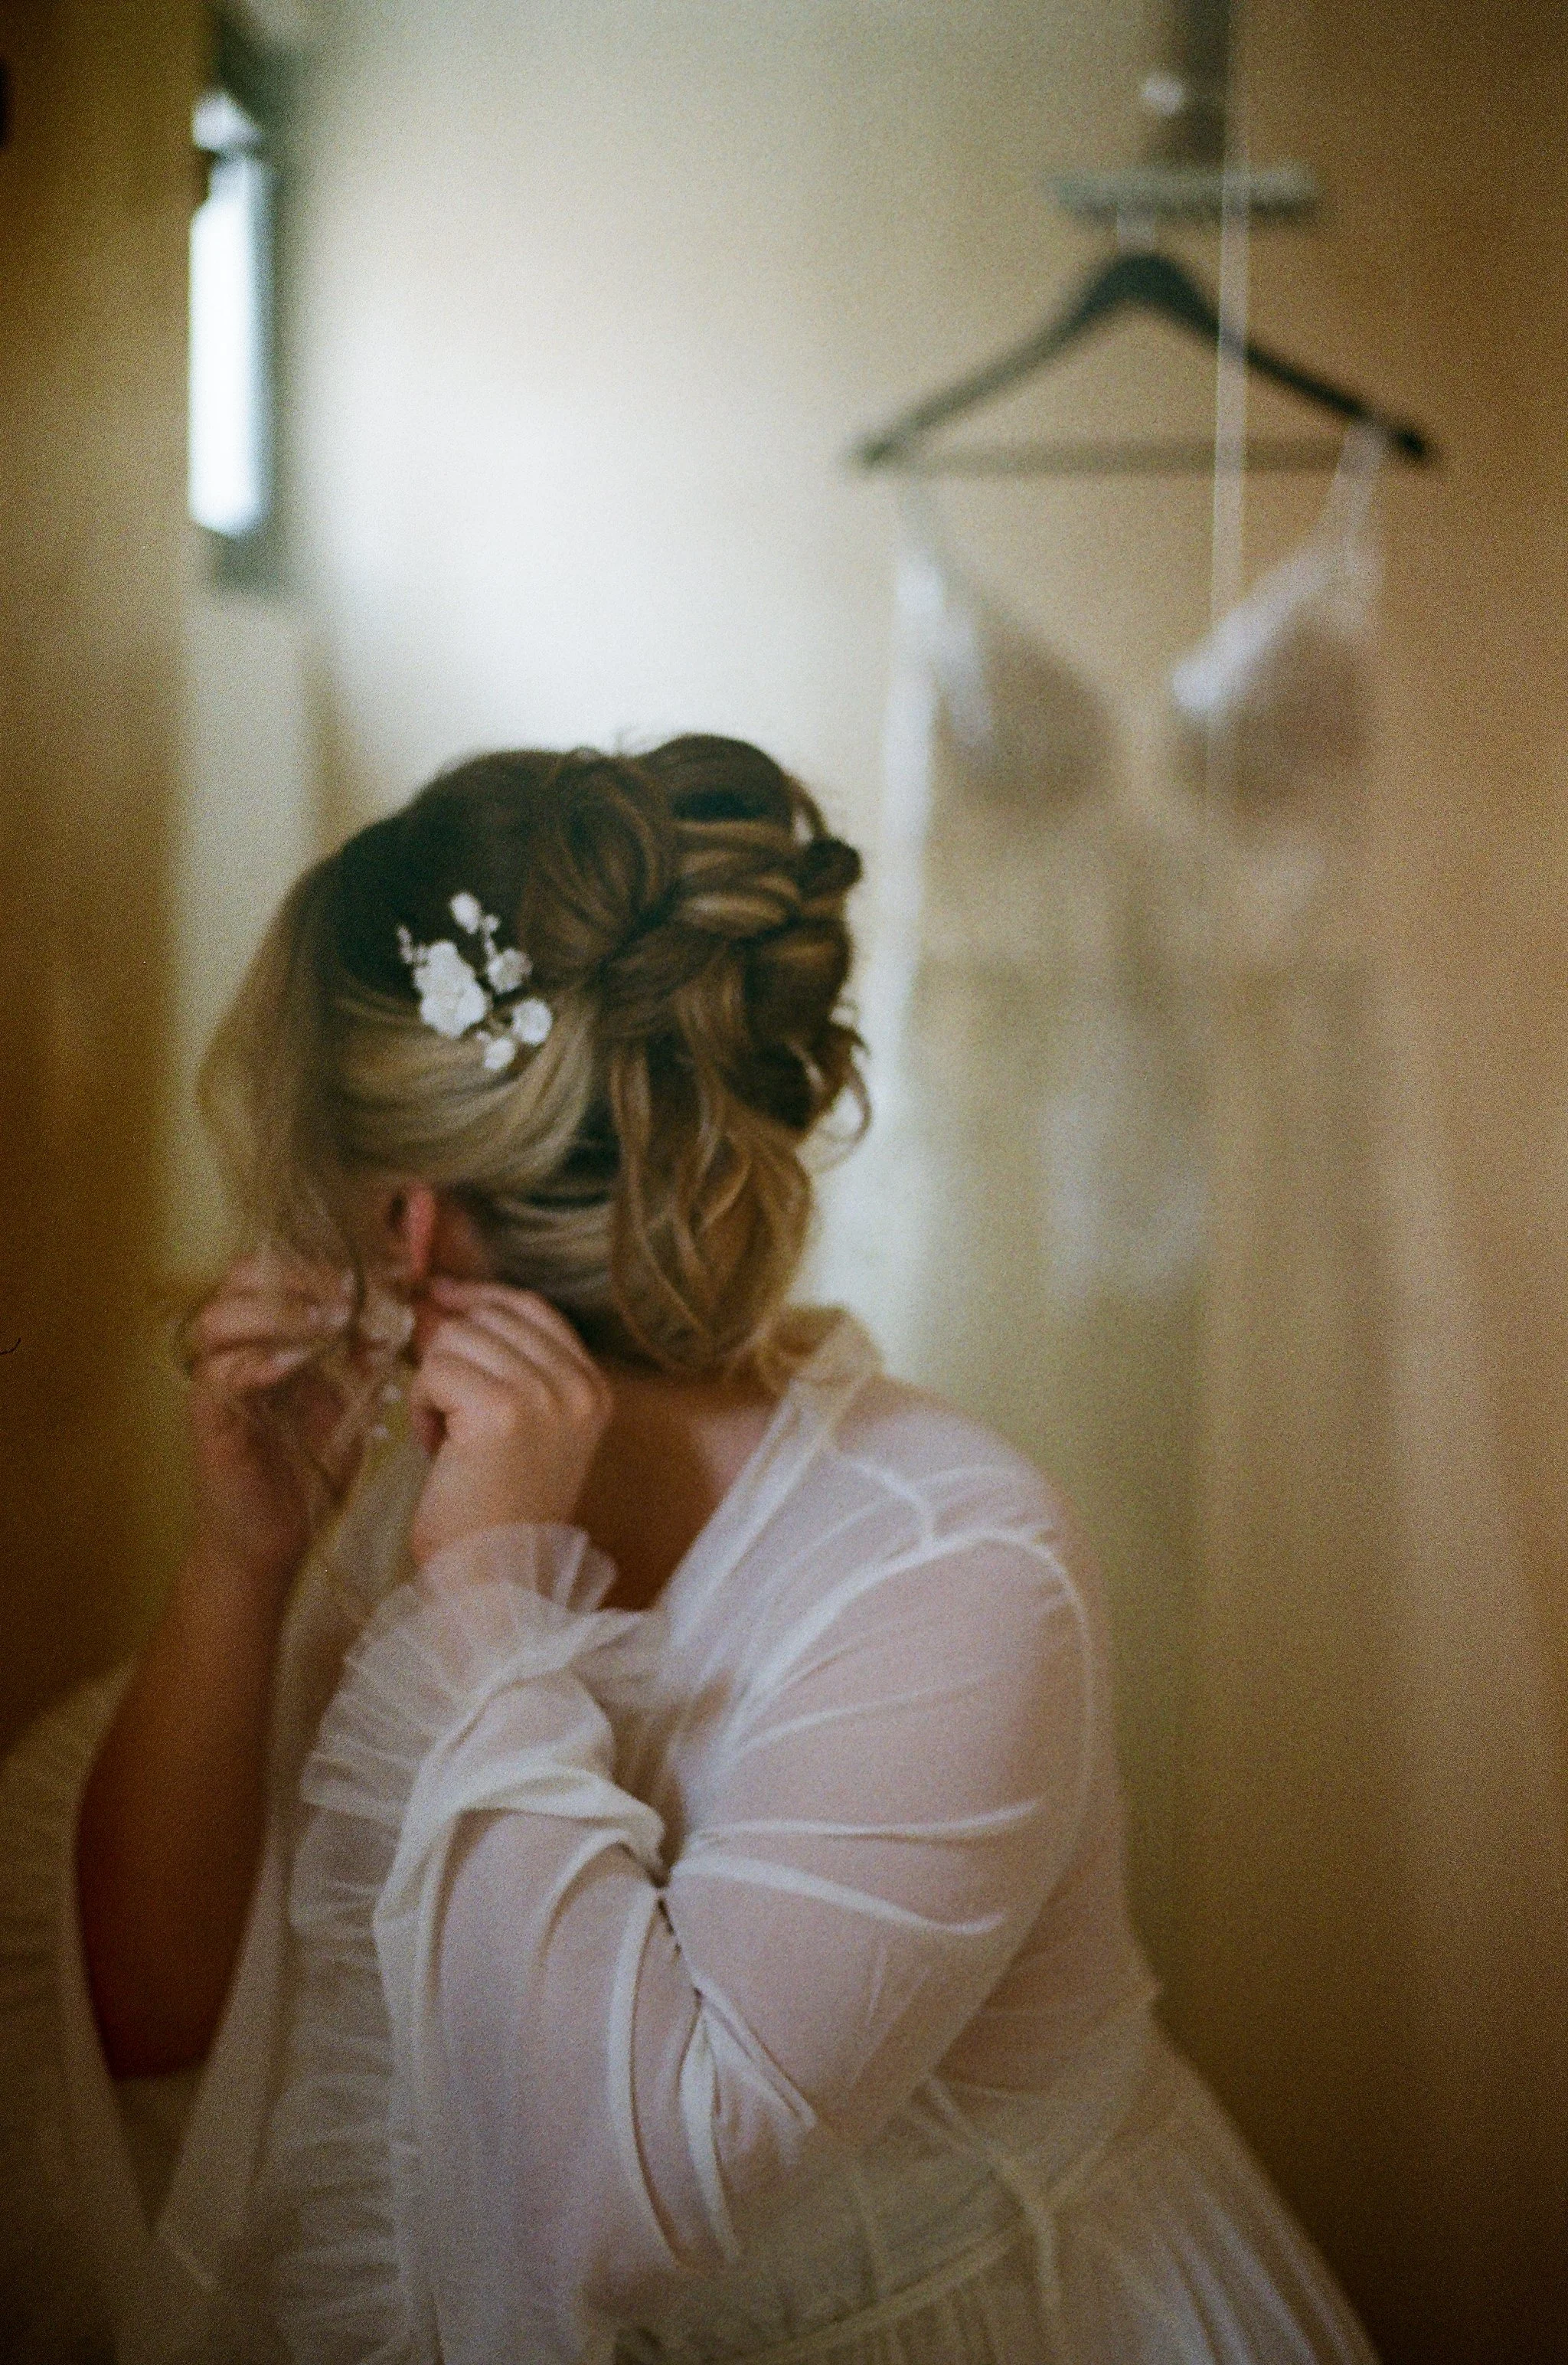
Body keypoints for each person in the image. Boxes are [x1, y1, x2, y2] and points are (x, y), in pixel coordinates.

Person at [0, 736, 1377, 2363]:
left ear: (403, 1223)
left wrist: (492, 1602)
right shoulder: (401, 1496)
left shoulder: (944, 1564)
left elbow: (604, 2200)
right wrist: (239, 1559)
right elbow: (156, 2013)